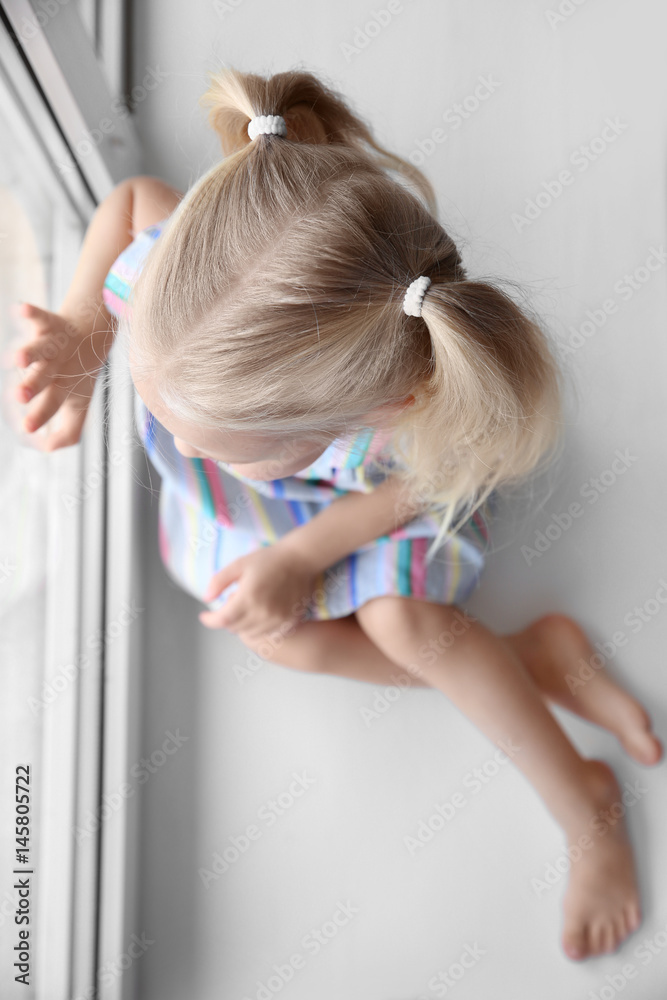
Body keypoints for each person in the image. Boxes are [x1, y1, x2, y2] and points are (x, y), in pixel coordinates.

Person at [10, 67, 662, 962]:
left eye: (207, 442)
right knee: (277, 639)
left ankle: (580, 797)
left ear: (347, 422)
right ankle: (531, 658)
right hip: (278, 519)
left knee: (401, 623)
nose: (181, 453)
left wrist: (306, 551)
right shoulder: (190, 293)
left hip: (388, 510)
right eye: (165, 416)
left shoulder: (406, 411)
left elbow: (429, 487)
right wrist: (88, 330)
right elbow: (131, 201)